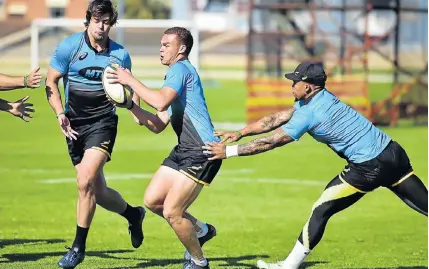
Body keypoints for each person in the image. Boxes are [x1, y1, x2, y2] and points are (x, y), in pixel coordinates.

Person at [202, 62, 428, 269]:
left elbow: (272, 141)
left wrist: (228, 152)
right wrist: (240, 133)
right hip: (393, 153)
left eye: (295, 82)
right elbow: (277, 118)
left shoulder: (310, 112)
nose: (291, 86)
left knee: (321, 209)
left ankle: (289, 266)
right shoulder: (320, 98)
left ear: (308, 87)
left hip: (368, 166)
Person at [106, 26, 220, 269]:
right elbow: (157, 124)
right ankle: (201, 231)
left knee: (172, 211)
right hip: (185, 148)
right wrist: (129, 105)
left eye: (166, 45)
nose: (161, 49)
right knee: (153, 200)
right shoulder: (175, 75)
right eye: (161, 44)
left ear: (182, 49)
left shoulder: (179, 69)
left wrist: (131, 81)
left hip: (203, 150)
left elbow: (159, 100)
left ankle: (200, 262)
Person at [45, 1, 145, 268]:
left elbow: (129, 88)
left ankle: (78, 247)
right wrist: (59, 113)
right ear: (88, 19)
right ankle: (134, 215)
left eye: (107, 21)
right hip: (73, 125)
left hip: (103, 124)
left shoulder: (120, 55)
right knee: (97, 191)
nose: (102, 26)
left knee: (85, 179)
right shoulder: (70, 47)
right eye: (97, 20)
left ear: (111, 23)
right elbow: (50, 81)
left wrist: (135, 110)